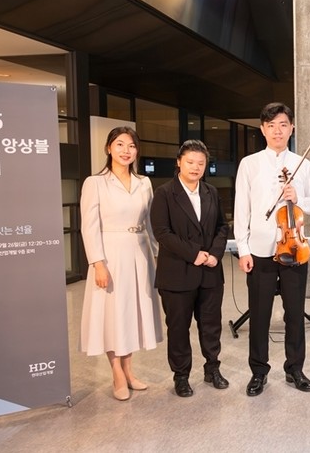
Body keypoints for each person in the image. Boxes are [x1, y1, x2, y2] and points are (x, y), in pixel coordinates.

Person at [234, 102, 310, 397]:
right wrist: (243, 249)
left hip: (294, 249)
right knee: (259, 315)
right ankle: (258, 372)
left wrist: (298, 198)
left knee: (294, 314)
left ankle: (295, 369)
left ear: (291, 128)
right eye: (271, 125)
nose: (277, 131)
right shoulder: (249, 164)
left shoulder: (302, 164)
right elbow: (241, 209)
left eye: (283, 125)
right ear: (263, 129)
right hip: (259, 250)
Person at [80, 126, 162, 401]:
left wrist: (157, 255)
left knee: (131, 314)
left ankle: (129, 370)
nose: (126, 150)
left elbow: (150, 223)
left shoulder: (144, 182)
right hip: (110, 255)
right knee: (111, 315)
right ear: (109, 148)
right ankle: (116, 372)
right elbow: (89, 227)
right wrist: (97, 263)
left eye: (131, 145)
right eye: (120, 144)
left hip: (139, 253)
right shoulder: (95, 183)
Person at [151, 140, 229, 398]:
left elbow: (222, 227)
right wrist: (194, 253)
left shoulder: (210, 192)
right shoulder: (164, 193)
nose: (195, 167)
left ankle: (212, 368)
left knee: (211, 325)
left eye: (201, 163)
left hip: (210, 272)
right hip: (177, 273)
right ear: (179, 163)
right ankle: (181, 376)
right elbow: (162, 232)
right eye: (190, 162)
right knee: (178, 328)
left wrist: (215, 254)